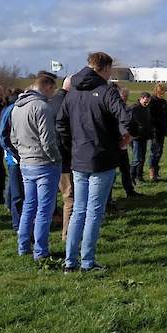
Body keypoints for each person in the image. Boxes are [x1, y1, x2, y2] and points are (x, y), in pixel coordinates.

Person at [56, 52, 132, 273]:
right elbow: (126, 117)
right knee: (93, 211)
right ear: (105, 68)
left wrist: (72, 146)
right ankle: (87, 261)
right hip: (101, 158)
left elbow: (60, 123)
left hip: (79, 158)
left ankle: (70, 261)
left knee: (79, 209)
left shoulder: (72, 91)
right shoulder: (107, 91)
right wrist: (127, 137)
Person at [11, 73, 62, 261]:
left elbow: (13, 138)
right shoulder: (42, 107)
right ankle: (41, 251)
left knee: (29, 206)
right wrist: (56, 159)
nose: (53, 92)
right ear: (47, 86)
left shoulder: (17, 107)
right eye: (53, 88)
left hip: (26, 163)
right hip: (44, 164)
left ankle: (23, 246)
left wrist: (24, 153)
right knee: (44, 209)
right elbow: (48, 141)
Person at [48, 75, 74, 244]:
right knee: (69, 198)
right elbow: (64, 132)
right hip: (64, 157)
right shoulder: (68, 104)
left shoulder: (49, 102)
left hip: (45, 157)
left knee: (47, 197)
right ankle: (67, 234)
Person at [0, 92, 23, 231]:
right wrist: (12, 152)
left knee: (15, 189)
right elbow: (2, 135)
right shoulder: (10, 110)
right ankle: (17, 223)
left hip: (22, 155)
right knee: (17, 192)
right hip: (14, 157)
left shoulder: (10, 109)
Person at [114, 87, 141, 196]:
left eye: (126, 97)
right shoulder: (114, 108)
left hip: (124, 142)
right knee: (111, 171)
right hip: (116, 142)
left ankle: (129, 190)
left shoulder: (126, 108)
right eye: (123, 97)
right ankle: (108, 196)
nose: (125, 99)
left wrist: (128, 138)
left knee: (125, 169)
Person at [147, 84, 167, 181]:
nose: (164, 93)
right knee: (155, 151)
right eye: (163, 91)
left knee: (159, 151)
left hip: (162, 130)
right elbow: (150, 117)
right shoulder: (152, 101)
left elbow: (166, 116)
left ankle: (156, 170)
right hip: (155, 131)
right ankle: (152, 171)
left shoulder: (163, 102)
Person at [129, 92, 153, 183]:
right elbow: (130, 122)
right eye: (145, 101)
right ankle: (131, 177)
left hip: (144, 136)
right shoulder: (134, 108)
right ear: (141, 98)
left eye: (148, 102)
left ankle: (139, 176)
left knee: (142, 157)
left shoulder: (146, 108)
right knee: (136, 158)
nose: (147, 103)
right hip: (136, 137)